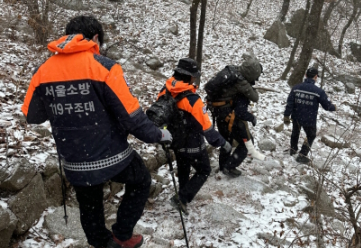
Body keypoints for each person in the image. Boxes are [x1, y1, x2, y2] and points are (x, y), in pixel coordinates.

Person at [21, 15, 172, 248]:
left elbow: (33, 116)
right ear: (95, 38)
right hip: (111, 153)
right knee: (141, 180)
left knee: (89, 205)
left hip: (73, 157)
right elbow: (132, 118)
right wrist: (158, 134)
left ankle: (102, 243)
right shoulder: (105, 67)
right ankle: (122, 235)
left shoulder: (42, 70)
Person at [155, 58, 230, 215]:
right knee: (204, 170)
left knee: (183, 168)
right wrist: (223, 143)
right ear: (189, 77)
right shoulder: (193, 101)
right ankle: (182, 198)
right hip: (193, 144)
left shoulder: (165, 90)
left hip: (175, 141)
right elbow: (208, 130)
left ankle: (182, 197)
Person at [205, 54, 264, 178]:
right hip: (227, 114)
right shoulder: (240, 81)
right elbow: (255, 97)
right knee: (247, 143)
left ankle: (223, 166)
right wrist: (251, 117)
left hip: (218, 112)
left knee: (226, 141)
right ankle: (230, 166)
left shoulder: (233, 71)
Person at [284, 67, 336, 164]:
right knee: (311, 135)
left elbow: (290, 103)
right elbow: (327, 106)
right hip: (309, 118)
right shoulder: (318, 91)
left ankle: (293, 149)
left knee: (295, 132)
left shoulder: (296, 88)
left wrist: (286, 115)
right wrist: (334, 107)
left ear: (305, 75)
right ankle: (302, 154)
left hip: (296, 116)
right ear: (315, 77)